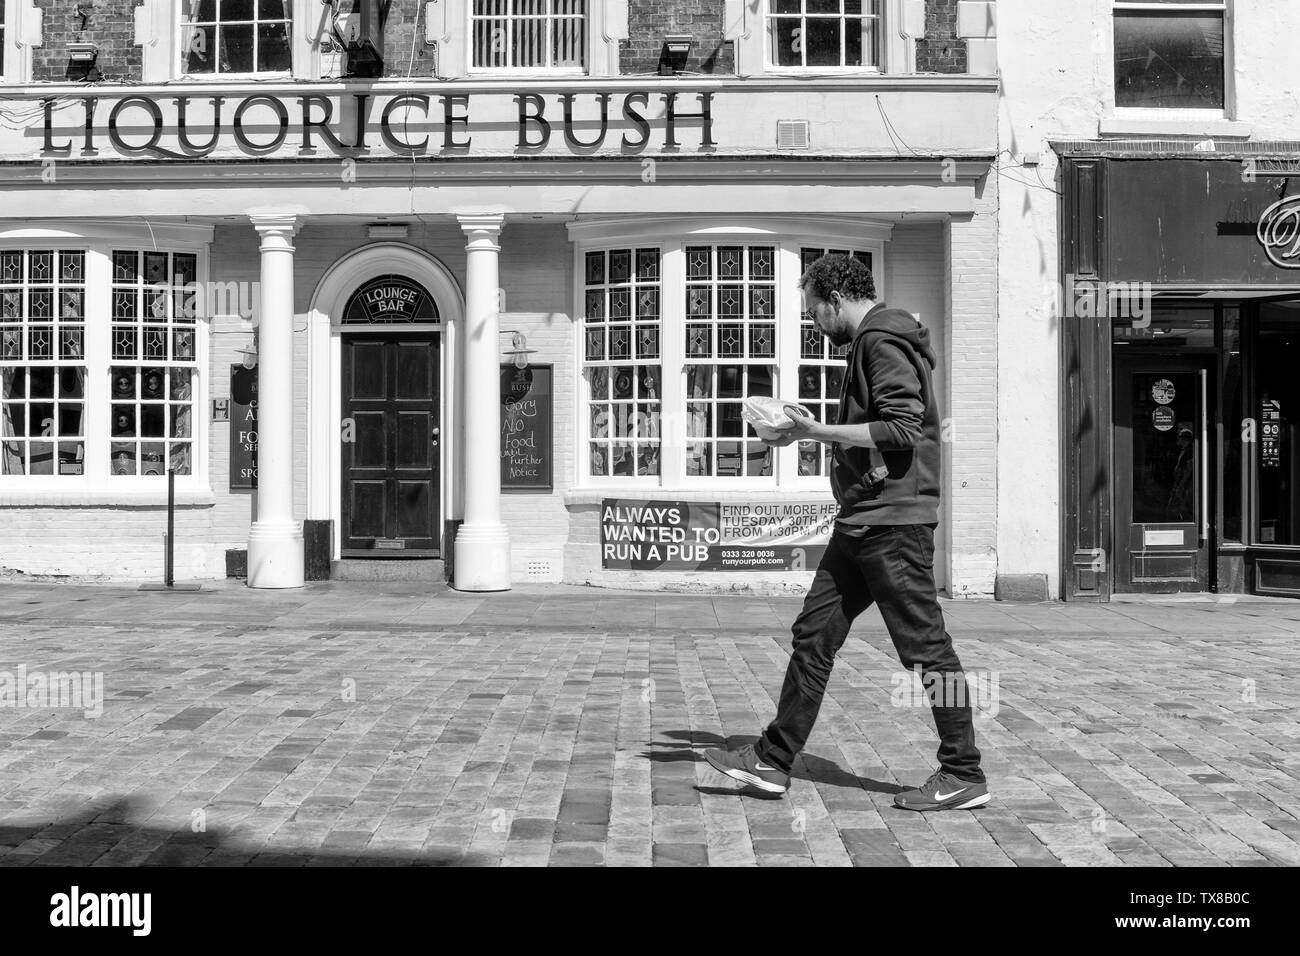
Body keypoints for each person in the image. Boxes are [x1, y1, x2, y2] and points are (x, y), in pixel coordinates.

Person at [704, 254, 990, 812]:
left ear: (835, 299)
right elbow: (878, 431)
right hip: (862, 520)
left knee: (926, 650)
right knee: (814, 633)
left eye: (812, 308)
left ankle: (963, 772)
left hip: (894, 524)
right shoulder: (870, 343)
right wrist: (803, 436)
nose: (811, 320)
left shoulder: (881, 341)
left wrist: (819, 429)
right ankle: (772, 760)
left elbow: (903, 430)